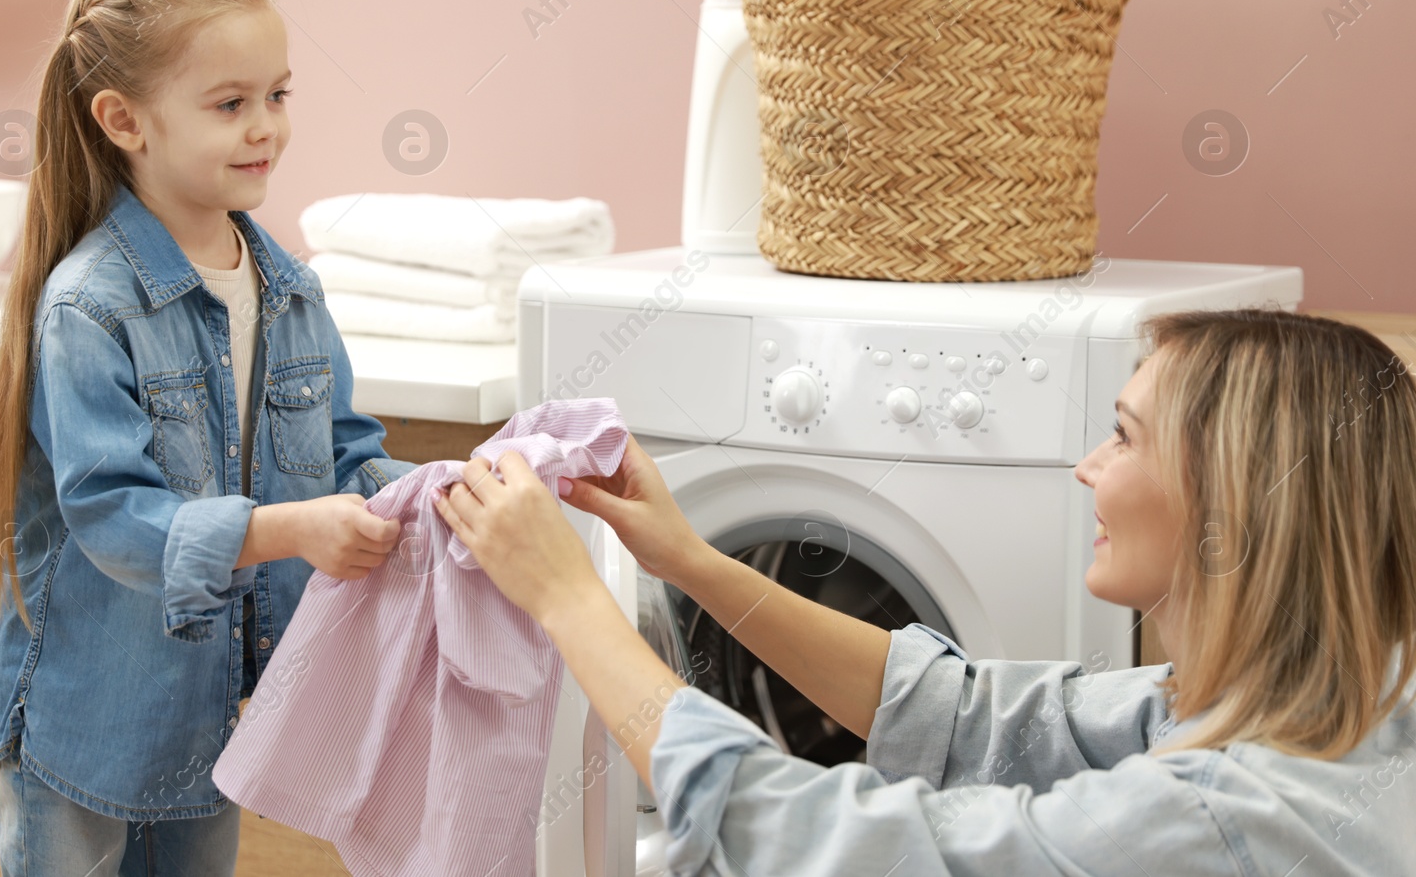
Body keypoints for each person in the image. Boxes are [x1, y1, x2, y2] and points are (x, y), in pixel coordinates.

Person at [435, 308, 1416, 875]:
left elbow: (823, 842)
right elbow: (969, 714)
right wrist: (688, 559)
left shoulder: (1223, 819)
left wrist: (569, 600)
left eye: (1121, 435)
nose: (1085, 466)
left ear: (1229, 506)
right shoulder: (1342, 705)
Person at [0, 0, 414, 874]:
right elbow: (113, 514)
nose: (266, 130)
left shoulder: (290, 291)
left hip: (208, 725)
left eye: (278, 96)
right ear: (124, 120)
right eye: (229, 104)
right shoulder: (91, 305)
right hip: (89, 718)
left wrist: (439, 491)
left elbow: (342, 453)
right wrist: (294, 528)